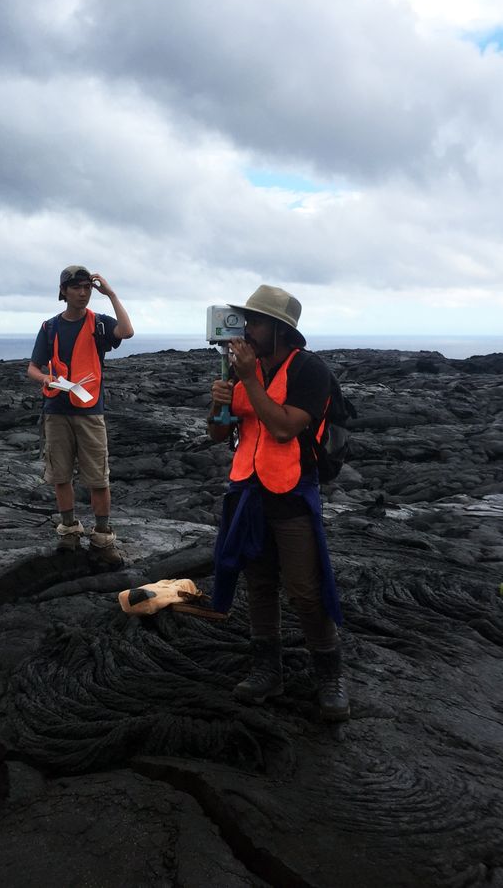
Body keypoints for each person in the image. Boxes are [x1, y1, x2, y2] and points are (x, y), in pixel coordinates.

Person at [207, 284, 349, 722]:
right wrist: (217, 406)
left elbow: (285, 428)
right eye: (246, 321)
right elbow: (217, 435)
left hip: (290, 492)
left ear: (280, 330)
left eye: (255, 322)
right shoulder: (238, 368)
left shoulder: (309, 370)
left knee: (305, 589)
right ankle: (268, 669)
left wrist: (248, 379)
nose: (246, 329)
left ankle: (330, 674)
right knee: (259, 581)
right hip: (247, 490)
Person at [27, 265, 135, 563]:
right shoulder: (50, 327)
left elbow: (126, 331)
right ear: (63, 291)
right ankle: (69, 532)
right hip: (57, 410)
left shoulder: (99, 324)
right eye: (76, 287)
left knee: (98, 478)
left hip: (90, 412)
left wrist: (110, 293)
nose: (83, 292)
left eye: (87, 287)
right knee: (61, 475)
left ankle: (102, 537)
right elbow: (33, 367)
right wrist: (45, 379)